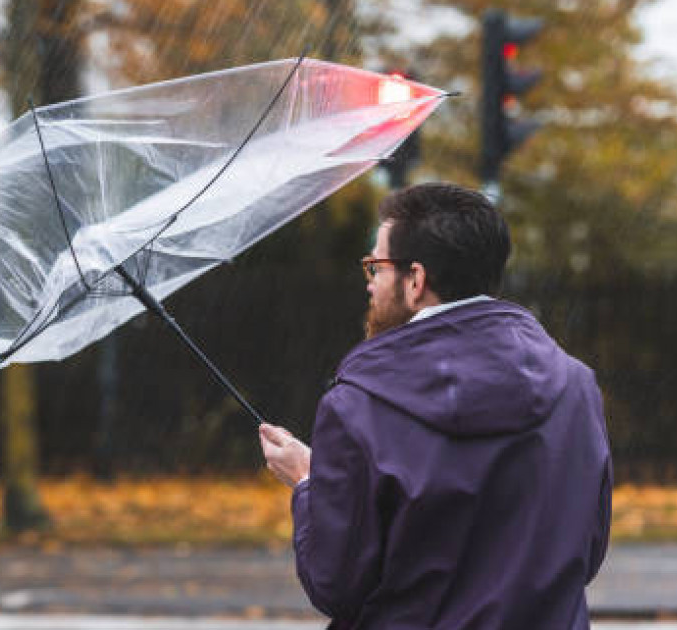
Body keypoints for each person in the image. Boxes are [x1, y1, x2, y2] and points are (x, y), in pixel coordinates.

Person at [259, 183, 612, 630]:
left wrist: (310, 483)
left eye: (376, 267)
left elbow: (336, 584)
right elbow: (586, 551)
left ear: (416, 280)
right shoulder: (577, 387)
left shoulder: (358, 407)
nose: (369, 282)